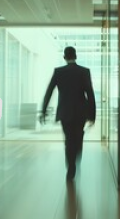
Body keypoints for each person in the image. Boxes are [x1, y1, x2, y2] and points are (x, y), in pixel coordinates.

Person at [40, 46, 96, 181]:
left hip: (65, 112)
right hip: (80, 112)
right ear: (75, 56)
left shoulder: (58, 72)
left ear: (64, 57)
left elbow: (49, 92)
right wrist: (92, 115)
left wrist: (43, 111)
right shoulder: (84, 72)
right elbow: (90, 94)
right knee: (78, 137)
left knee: (68, 139)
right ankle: (76, 158)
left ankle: (71, 166)